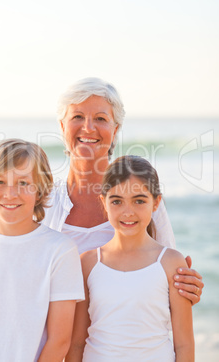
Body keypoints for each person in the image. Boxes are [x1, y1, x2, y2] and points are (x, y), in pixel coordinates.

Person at [0, 77, 204, 302]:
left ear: (115, 130)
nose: (88, 128)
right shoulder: (36, 199)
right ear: (62, 127)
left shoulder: (141, 204)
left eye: (101, 119)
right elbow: (1, 266)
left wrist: (187, 287)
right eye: (77, 117)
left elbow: (172, 280)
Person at [0, 139, 84, 362]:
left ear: (40, 191)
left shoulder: (60, 251)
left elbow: (59, 340)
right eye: (0, 182)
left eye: (23, 183)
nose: (10, 193)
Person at [66, 155, 195, 361]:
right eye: (117, 201)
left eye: (139, 201)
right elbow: (77, 343)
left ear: (156, 203)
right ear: (104, 202)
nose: (128, 212)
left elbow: (184, 345)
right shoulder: (88, 263)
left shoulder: (171, 263)